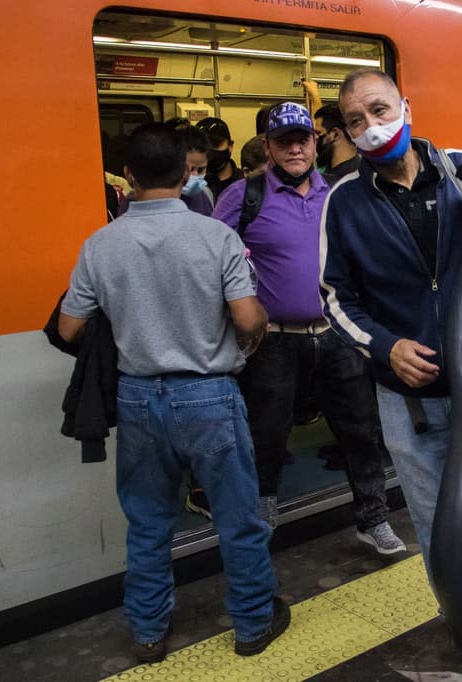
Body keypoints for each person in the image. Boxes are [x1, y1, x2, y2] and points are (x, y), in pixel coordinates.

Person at [56, 123, 289, 663]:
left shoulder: (102, 243)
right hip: (208, 396)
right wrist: (250, 331)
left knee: (148, 522)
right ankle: (253, 623)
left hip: (138, 399)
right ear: (187, 173)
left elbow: (69, 329)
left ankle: (147, 632)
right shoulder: (216, 237)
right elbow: (247, 317)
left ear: (130, 176)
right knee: (237, 517)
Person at [320, 68, 462, 573]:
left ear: (405, 108)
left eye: (379, 109)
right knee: (437, 521)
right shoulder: (343, 201)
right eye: (354, 120)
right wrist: (386, 346)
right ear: (346, 133)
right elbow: (335, 298)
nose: (370, 125)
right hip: (410, 403)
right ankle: (460, 615)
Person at [212, 102, 406, 555]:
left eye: (303, 138)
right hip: (273, 340)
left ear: (316, 142)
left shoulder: (339, 193)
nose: (295, 148)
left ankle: (373, 518)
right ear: (269, 146)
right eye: (284, 141)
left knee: (360, 429)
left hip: (337, 334)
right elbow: (211, 257)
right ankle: (260, 523)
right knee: (267, 434)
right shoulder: (244, 196)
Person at [118, 125, 215, 217]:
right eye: (190, 169)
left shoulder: (206, 195)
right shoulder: (137, 200)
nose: (193, 175)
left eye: (201, 170)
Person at [197, 116, 245, 202]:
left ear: (230, 146)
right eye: (204, 146)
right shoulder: (193, 184)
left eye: (216, 144)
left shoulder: (244, 181)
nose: (210, 151)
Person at [314, 103, 360, 183]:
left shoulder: (348, 180)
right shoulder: (362, 169)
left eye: (318, 133)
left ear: (335, 134)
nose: (315, 139)